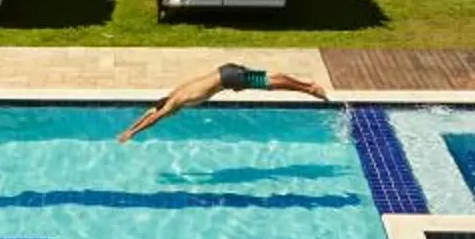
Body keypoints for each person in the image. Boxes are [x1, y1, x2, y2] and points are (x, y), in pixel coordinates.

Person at [118, 62, 332, 141]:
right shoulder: (173, 95)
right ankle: (305, 85)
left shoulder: (175, 103)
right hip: (226, 71)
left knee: (271, 83)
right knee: (270, 80)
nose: (170, 115)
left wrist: (133, 133)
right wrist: (130, 128)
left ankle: (309, 88)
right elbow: (151, 111)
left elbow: (154, 117)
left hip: (228, 78)